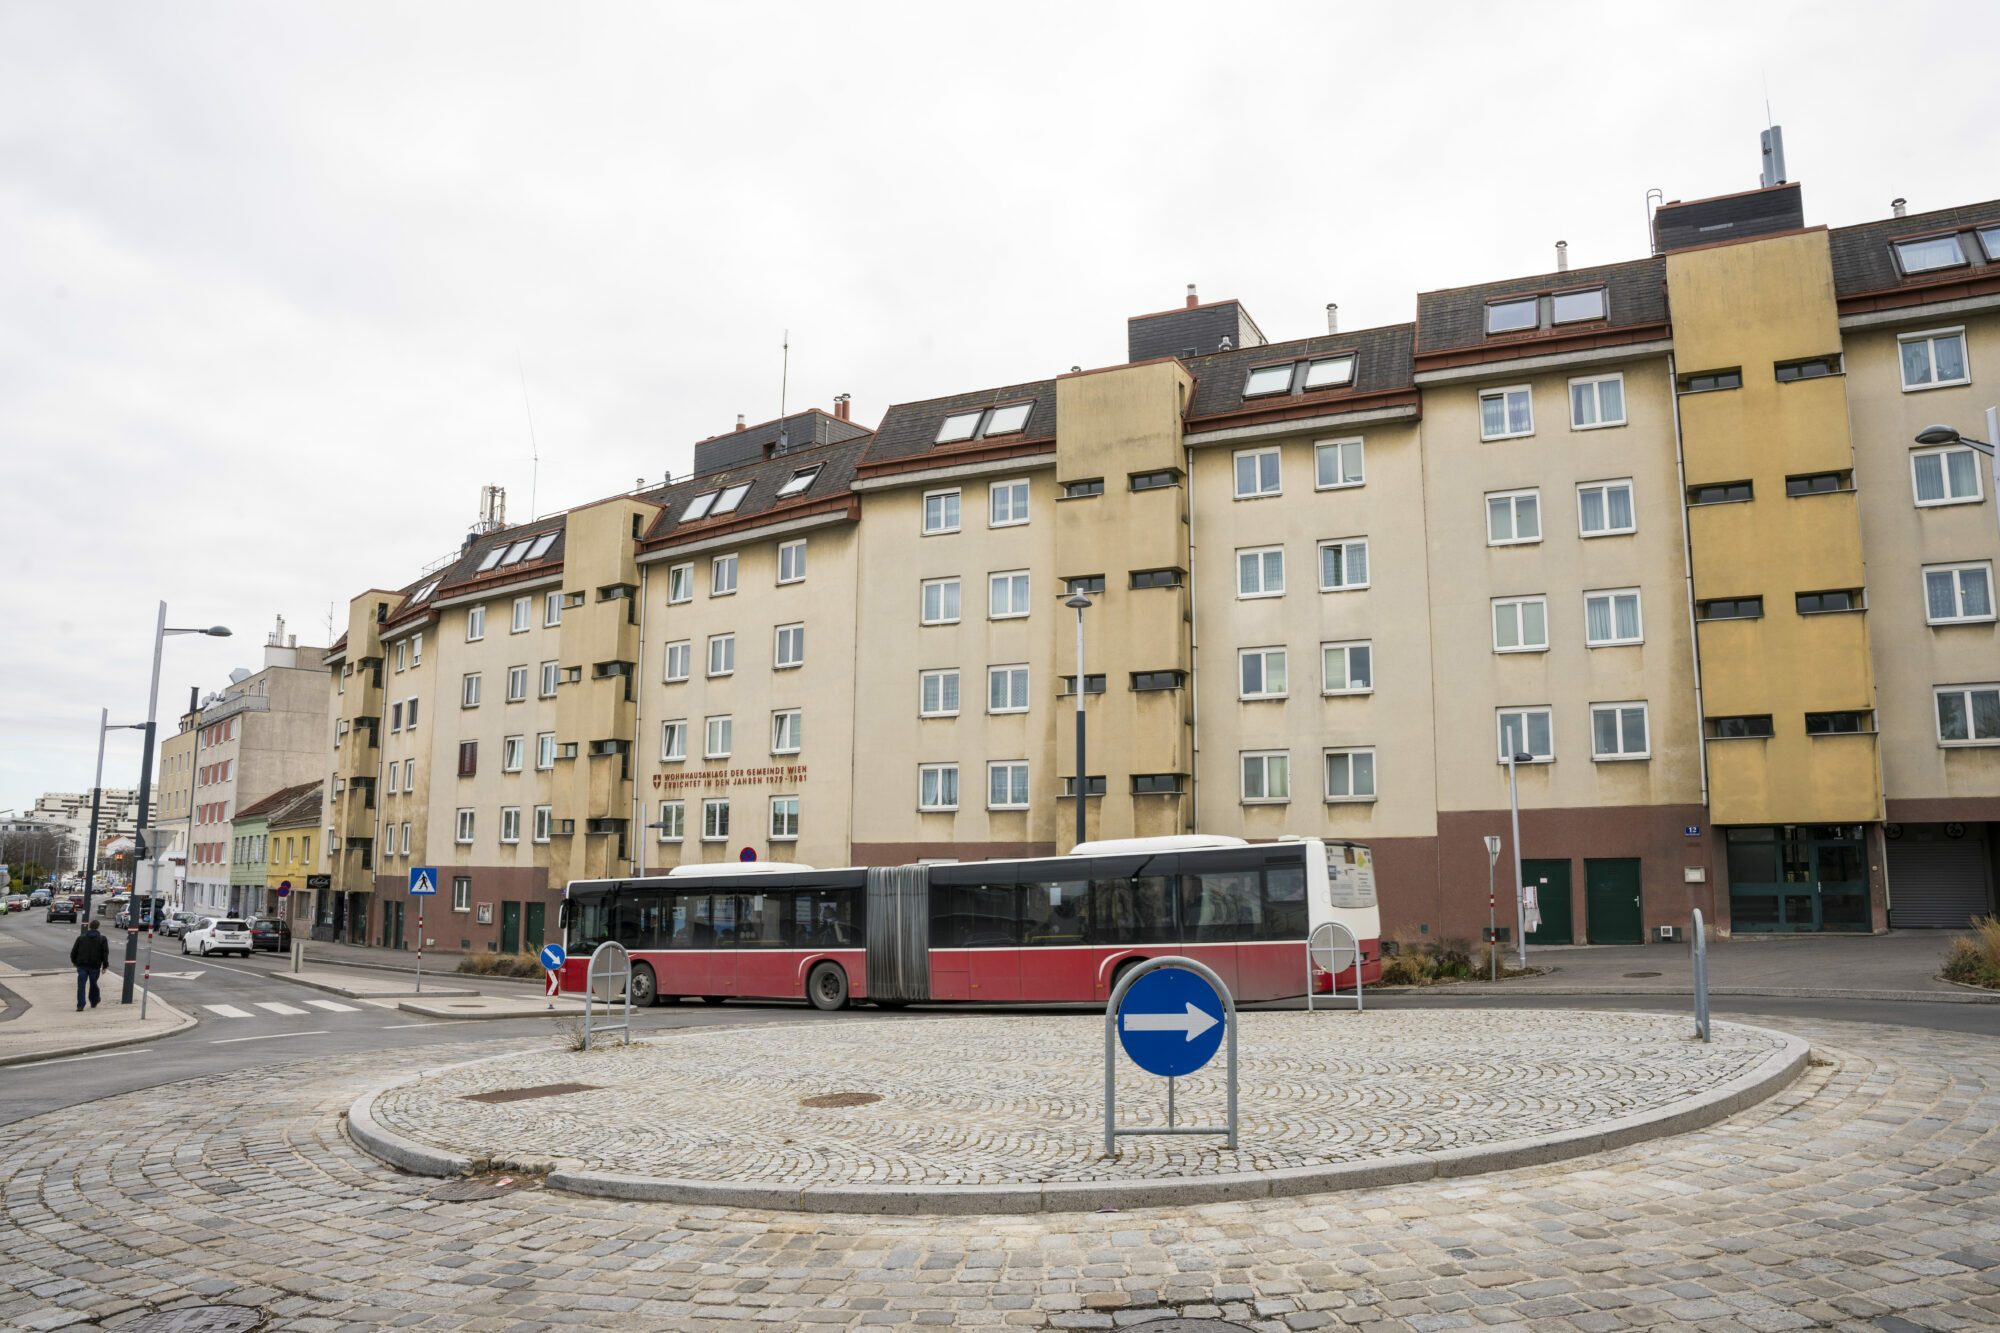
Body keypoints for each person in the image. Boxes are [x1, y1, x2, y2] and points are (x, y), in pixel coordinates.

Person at [71, 919, 110, 1010]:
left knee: (81, 985)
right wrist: (105, 965)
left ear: (89, 927)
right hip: (95, 965)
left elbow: (74, 951)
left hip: (82, 965)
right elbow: (105, 953)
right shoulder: (102, 939)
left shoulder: (81, 938)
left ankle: (80, 1005)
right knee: (93, 983)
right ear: (98, 927)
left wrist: (74, 962)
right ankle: (94, 1000)